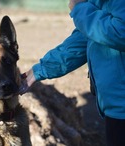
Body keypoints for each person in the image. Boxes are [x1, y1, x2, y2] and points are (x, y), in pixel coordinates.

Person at [19, 0, 125, 146]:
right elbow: (79, 43)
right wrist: (38, 71)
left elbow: (121, 31)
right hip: (115, 109)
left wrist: (80, 8)